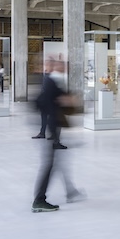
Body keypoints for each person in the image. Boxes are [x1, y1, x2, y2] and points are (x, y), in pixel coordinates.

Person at [32, 57, 83, 212]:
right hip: (52, 130)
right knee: (50, 165)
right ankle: (39, 199)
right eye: (61, 65)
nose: (64, 67)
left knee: (58, 164)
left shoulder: (55, 81)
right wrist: (61, 103)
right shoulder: (51, 82)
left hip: (54, 130)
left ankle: (70, 191)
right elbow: (42, 102)